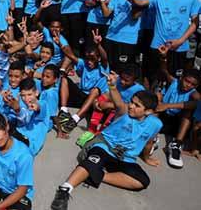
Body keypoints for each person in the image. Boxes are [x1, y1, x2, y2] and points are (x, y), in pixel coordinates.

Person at [50, 79, 162, 210]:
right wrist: (113, 86)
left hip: (124, 157)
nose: (131, 106)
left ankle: (97, 175)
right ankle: (65, 190)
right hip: (104, 145)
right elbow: (119, 103)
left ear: (148, 111)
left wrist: (147, 158)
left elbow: (148, 142)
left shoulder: (156, 124)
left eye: (137, 106)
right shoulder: (124, 112)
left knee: (142, 181)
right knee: (93, 160)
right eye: (132, 101)